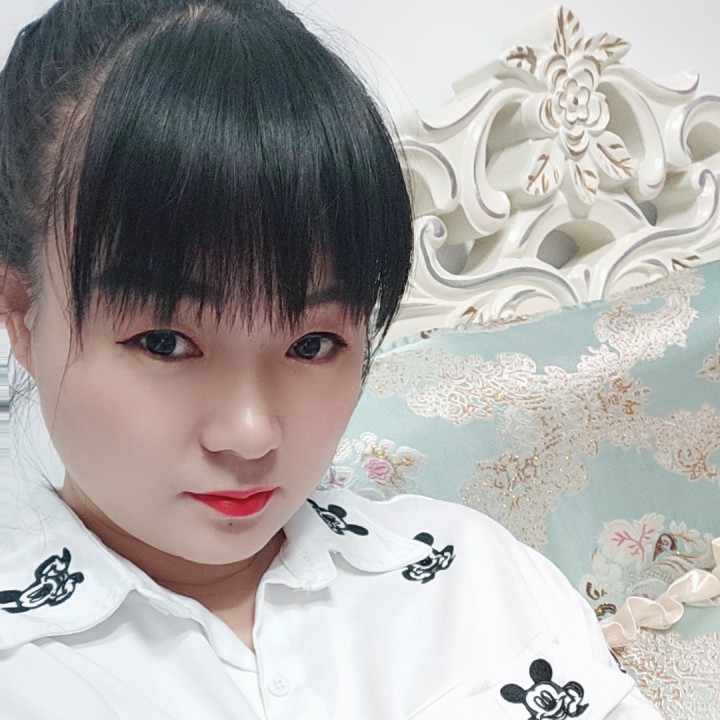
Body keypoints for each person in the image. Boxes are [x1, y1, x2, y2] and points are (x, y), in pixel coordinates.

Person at [0, 1, 661, 717]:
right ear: (21, 311)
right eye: (165, 342)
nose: (251, 435)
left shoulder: (475, 576)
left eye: (311, 344)